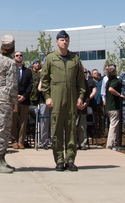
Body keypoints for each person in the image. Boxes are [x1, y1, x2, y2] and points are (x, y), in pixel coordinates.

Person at [39, 30, 87, 172]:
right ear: (57, 42)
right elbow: (45, 79)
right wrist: (47, 96)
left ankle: (70, 160)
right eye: (61, 40)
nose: (64, 42)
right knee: (57, 130)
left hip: (72, 98)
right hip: (56, 98)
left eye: (66, 40)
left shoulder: (75, 59)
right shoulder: (50, 59)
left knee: (71, 129)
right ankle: (59, 160)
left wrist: (80, 97)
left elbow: (81, 82)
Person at [0, 35, 18, 173]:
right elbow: (12, 85)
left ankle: (1, 160)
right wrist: (14, 101)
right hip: (5, 98)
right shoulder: (11, 63)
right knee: (4, 129)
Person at [13, 50, 33, 149]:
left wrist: (24, 96)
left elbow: (30, 85)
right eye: (17, 55)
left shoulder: (28, 71)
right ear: (14, 57)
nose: (19, 57)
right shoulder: (10, 70)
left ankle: (21, 141)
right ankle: (14, 140)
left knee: (23, 122)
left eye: (20, 55)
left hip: (25, 100)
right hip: (13, 100)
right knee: (13, 121)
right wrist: (15, 95)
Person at [104, 64, 123, 149]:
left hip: (108, 107)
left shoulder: (108, 81)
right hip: (113, 107)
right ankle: (110, 144)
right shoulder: (115, 81)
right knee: (113, 125)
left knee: (114, 125)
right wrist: (119, 95)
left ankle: (115, 142)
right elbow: (110, 89)